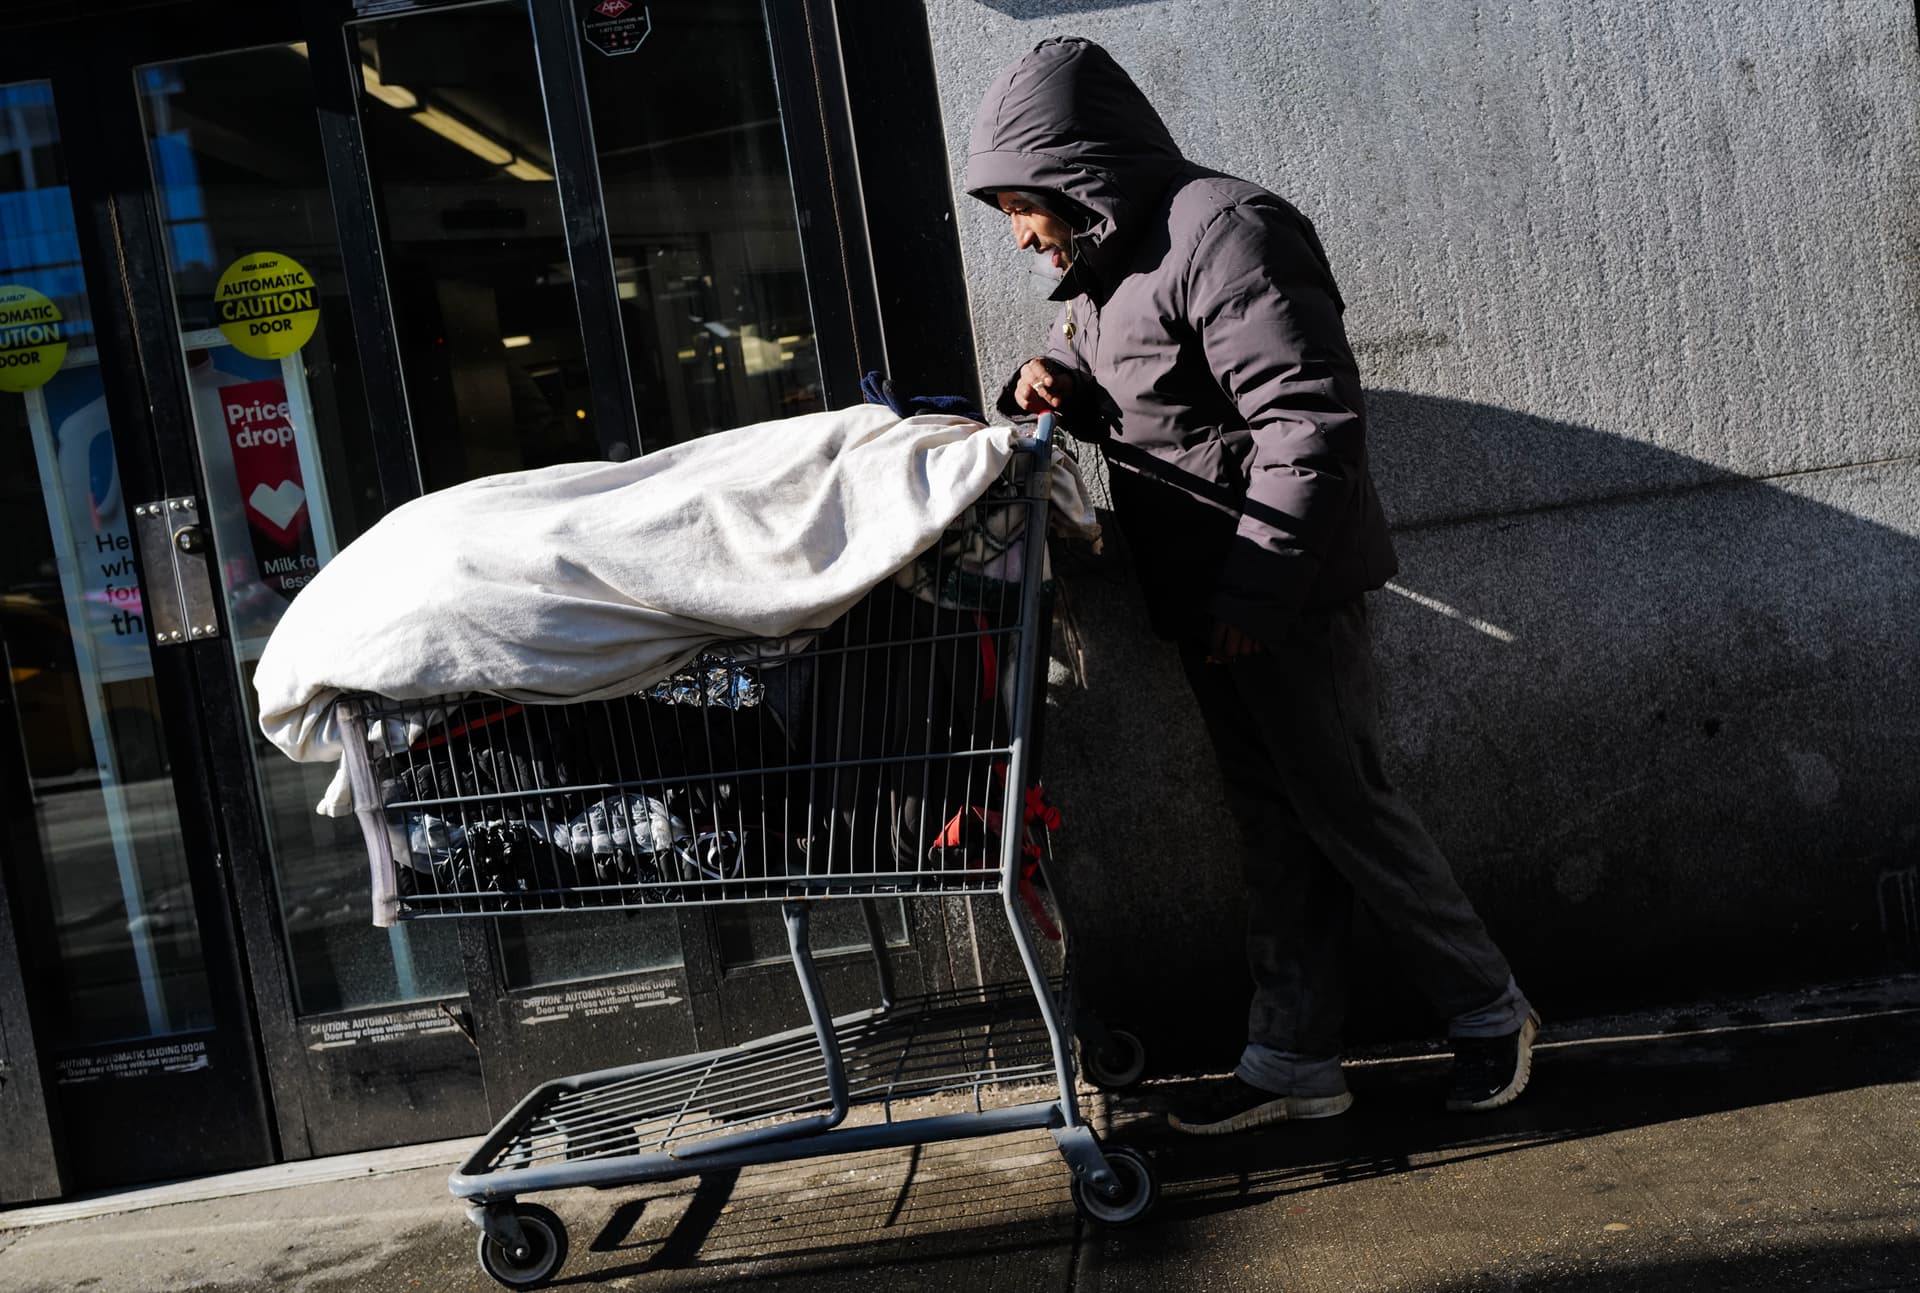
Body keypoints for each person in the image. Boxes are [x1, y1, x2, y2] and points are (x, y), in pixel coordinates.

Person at [965, 36, 1538, 1134]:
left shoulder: (1228, 230)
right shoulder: (1111, 258)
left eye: (1019, 208)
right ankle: (1292, 1062)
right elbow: (1150, 390)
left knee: (1348, 811)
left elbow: (1306, 421)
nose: (1020, 235)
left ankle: (1490, 1013)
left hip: (1273, 591)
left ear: (1074, 170)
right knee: (1279, 827)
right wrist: (1050, 379)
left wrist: (1256, 596)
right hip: (1210, 593)